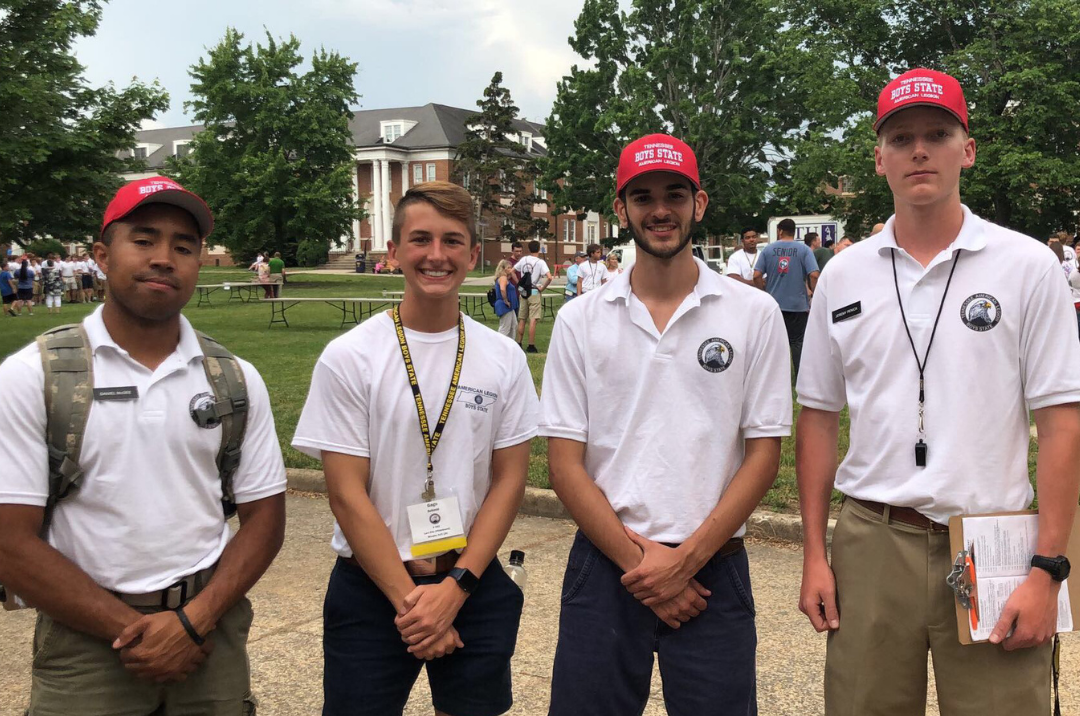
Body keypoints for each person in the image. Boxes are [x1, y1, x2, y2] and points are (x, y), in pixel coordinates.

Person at [796, 68, 1080, 716]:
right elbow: (816, 418)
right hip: (873, 538)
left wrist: (1050, 569)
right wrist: (815, 554)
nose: (918, 150)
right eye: (900, 139)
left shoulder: (1026, 267)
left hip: (991, 539)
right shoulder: (843, 277)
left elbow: (1063, 422)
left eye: (937, 134)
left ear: (967, 150)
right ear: (878, 159)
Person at [0, 175, 288, 714]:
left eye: (183, 247)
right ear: (102, 256)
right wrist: (139, 633)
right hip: (86, 641)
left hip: (210, 633)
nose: (164, 258)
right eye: (144, 239)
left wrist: (192, 623)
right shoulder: (31, 376)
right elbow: (10, 542)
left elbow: (266, 520)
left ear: (198, 264)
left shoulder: (234, 378)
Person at [541, 134, 792, 716]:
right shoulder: (580, 320)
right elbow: (563, 462)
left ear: (698, 204)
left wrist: (685, 563)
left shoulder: (752, 314)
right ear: (622, 207)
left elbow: (763, 454)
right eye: (644, 196)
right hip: (607, 566)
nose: (660, 209)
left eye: (675, 194)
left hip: (712, 567)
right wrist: (643, 565)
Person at [292, 180, 538, 716]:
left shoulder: (503, 357)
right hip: (372, 589)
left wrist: (454, 591)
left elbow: (509, 481)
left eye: (452, 241)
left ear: (474, 255)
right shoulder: (351, 357)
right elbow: (345, 494)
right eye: (420, 239)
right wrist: (415, 606)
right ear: (394, 253)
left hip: (471, 580)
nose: (436, 255)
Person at [754, 218, 820, 376]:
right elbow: (815, 275)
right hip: (798, 305)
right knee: (797, 342)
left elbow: (756, 275)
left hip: (774, 305)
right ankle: (799, 377)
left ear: (780, 231)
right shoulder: (804, 250)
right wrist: (813, 292)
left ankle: (775, 377)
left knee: (774, 344)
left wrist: (763, 293)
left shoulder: (768, 250)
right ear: (794, 231)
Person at [513, 240, 551, 353]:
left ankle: (519, 342)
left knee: (522, 318)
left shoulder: (523, 259)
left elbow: (512, 271)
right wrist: (542, 288)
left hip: (524, 291)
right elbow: (549, 277)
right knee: (533, 319)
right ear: (539, 249)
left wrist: (519, 284)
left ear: (529, 249)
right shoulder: (540, 262)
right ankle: (531, 345)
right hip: (534, 291)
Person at [493, 258, 520, 337]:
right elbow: (502, 289)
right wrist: (505, 300)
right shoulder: (503, 278)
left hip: (510, 306)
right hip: (504, 305)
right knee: (505, 327)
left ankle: (511, 343)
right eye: (508, 268)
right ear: (503, 269)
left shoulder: (505, 278)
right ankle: (499, 344)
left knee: (514, 325)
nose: (510, 269)